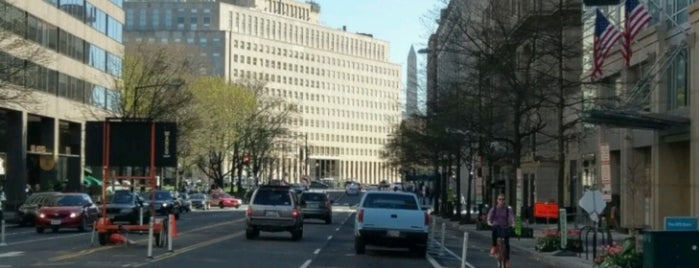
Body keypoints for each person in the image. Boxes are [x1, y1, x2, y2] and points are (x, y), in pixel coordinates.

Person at [487, 193, 514, 268]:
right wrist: (489, 222)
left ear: (505, 201)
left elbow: (511, 218)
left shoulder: (508, 210)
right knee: (494, 231)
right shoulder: (494, 209)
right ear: (497, 200)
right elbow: (489, 217)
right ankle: (494, 246)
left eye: (503, 199)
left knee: (507, 243)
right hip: (496, 227)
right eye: (500, 199)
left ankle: (507, 260)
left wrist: (513, 223)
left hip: (505, 227)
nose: (501, 201)